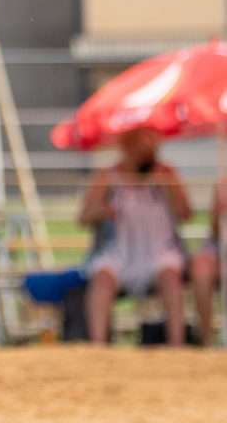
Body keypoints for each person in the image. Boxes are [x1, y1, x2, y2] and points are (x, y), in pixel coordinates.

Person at [78, 127, 192, 346]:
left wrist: (170, 188)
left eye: (152, 149)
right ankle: (98, 346)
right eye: (142, 149)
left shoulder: (166, 174)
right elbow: (84, 217)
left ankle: (177, 346)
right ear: (127, 148)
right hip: (118, 251)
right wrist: (103, 210)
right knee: (102, 280)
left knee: (170, 278)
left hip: (160, 250)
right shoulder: (108, 176)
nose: (149, 154)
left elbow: (185, 214)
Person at [187, 179, 225, 347]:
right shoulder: (224, 185)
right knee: (201, 268)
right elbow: (215, 231)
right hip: (220, 248)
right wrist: (220, 211)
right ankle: (207, 343)